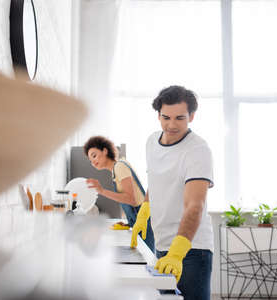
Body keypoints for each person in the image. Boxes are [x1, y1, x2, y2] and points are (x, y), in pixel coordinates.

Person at [130, 85, 214, 300]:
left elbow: (195, 205)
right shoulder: (151, 141)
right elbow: (156, 180)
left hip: (191, 249)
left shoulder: (197, 150)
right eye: (166, 117)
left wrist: (178, 252)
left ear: (192, 117)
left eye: (180, 118)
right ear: (158, 115)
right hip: (162, 244)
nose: (171, 125)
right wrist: (145, 211)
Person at [83, 136, 155, 252]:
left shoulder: (119, 166)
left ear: (105, 151)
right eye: (91, 161)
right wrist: (128, 222)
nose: (93, 162)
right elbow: (132, 199)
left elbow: (131, 199)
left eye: (94, 155)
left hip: (144, 223)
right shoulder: (117, 168)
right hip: (139, 222)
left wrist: (102, 191)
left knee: (147, 260)